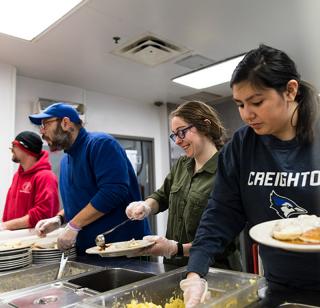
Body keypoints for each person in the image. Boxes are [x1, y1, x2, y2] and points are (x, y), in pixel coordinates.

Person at [180, 44, 320, 307]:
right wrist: (195, 272)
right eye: (240, 104)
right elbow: (221, 212)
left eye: (256, 102)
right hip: (280, 286)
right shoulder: (242, 146)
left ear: (290, 90)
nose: (246, 115)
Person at [126, 101, 241, 269]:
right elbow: (162, 195)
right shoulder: (182, 165)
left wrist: (175, 248)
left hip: (214, 269)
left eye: (182, 132)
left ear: (205, 126)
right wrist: (146, 206)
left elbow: (222, 240)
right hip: (175, 266)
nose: (178, 141)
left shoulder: (227, 171)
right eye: (174, 135)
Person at [29, 103, 150, 255]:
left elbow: (113, 191)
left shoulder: (100, 144)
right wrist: (59, 219)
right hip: (89, 251)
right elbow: (83, 200)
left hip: (121, 250)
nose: (42, 132)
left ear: (65, 123)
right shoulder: (66, 160)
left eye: (45, 124)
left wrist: (73, 225)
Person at [1, 131, 59, 231]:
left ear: (25, 149)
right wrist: (4, 224)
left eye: (14, 145)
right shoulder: (17, 176)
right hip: (13, 239)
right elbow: (9, 211)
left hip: (32, 241)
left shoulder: (46, 177)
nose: (11, 149)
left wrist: (5, 226)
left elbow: (42, 215)